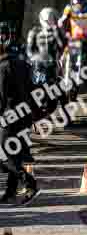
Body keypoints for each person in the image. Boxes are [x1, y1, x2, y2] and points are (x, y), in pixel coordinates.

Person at [0, 21, 39, 205]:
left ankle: (29, 184)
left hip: (9, 116)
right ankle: (10, 192)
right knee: (13, 154)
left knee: (4, 155)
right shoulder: (23, 63)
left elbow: (1, 98)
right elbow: (34, 90)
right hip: (25, 115)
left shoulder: (2, 68)